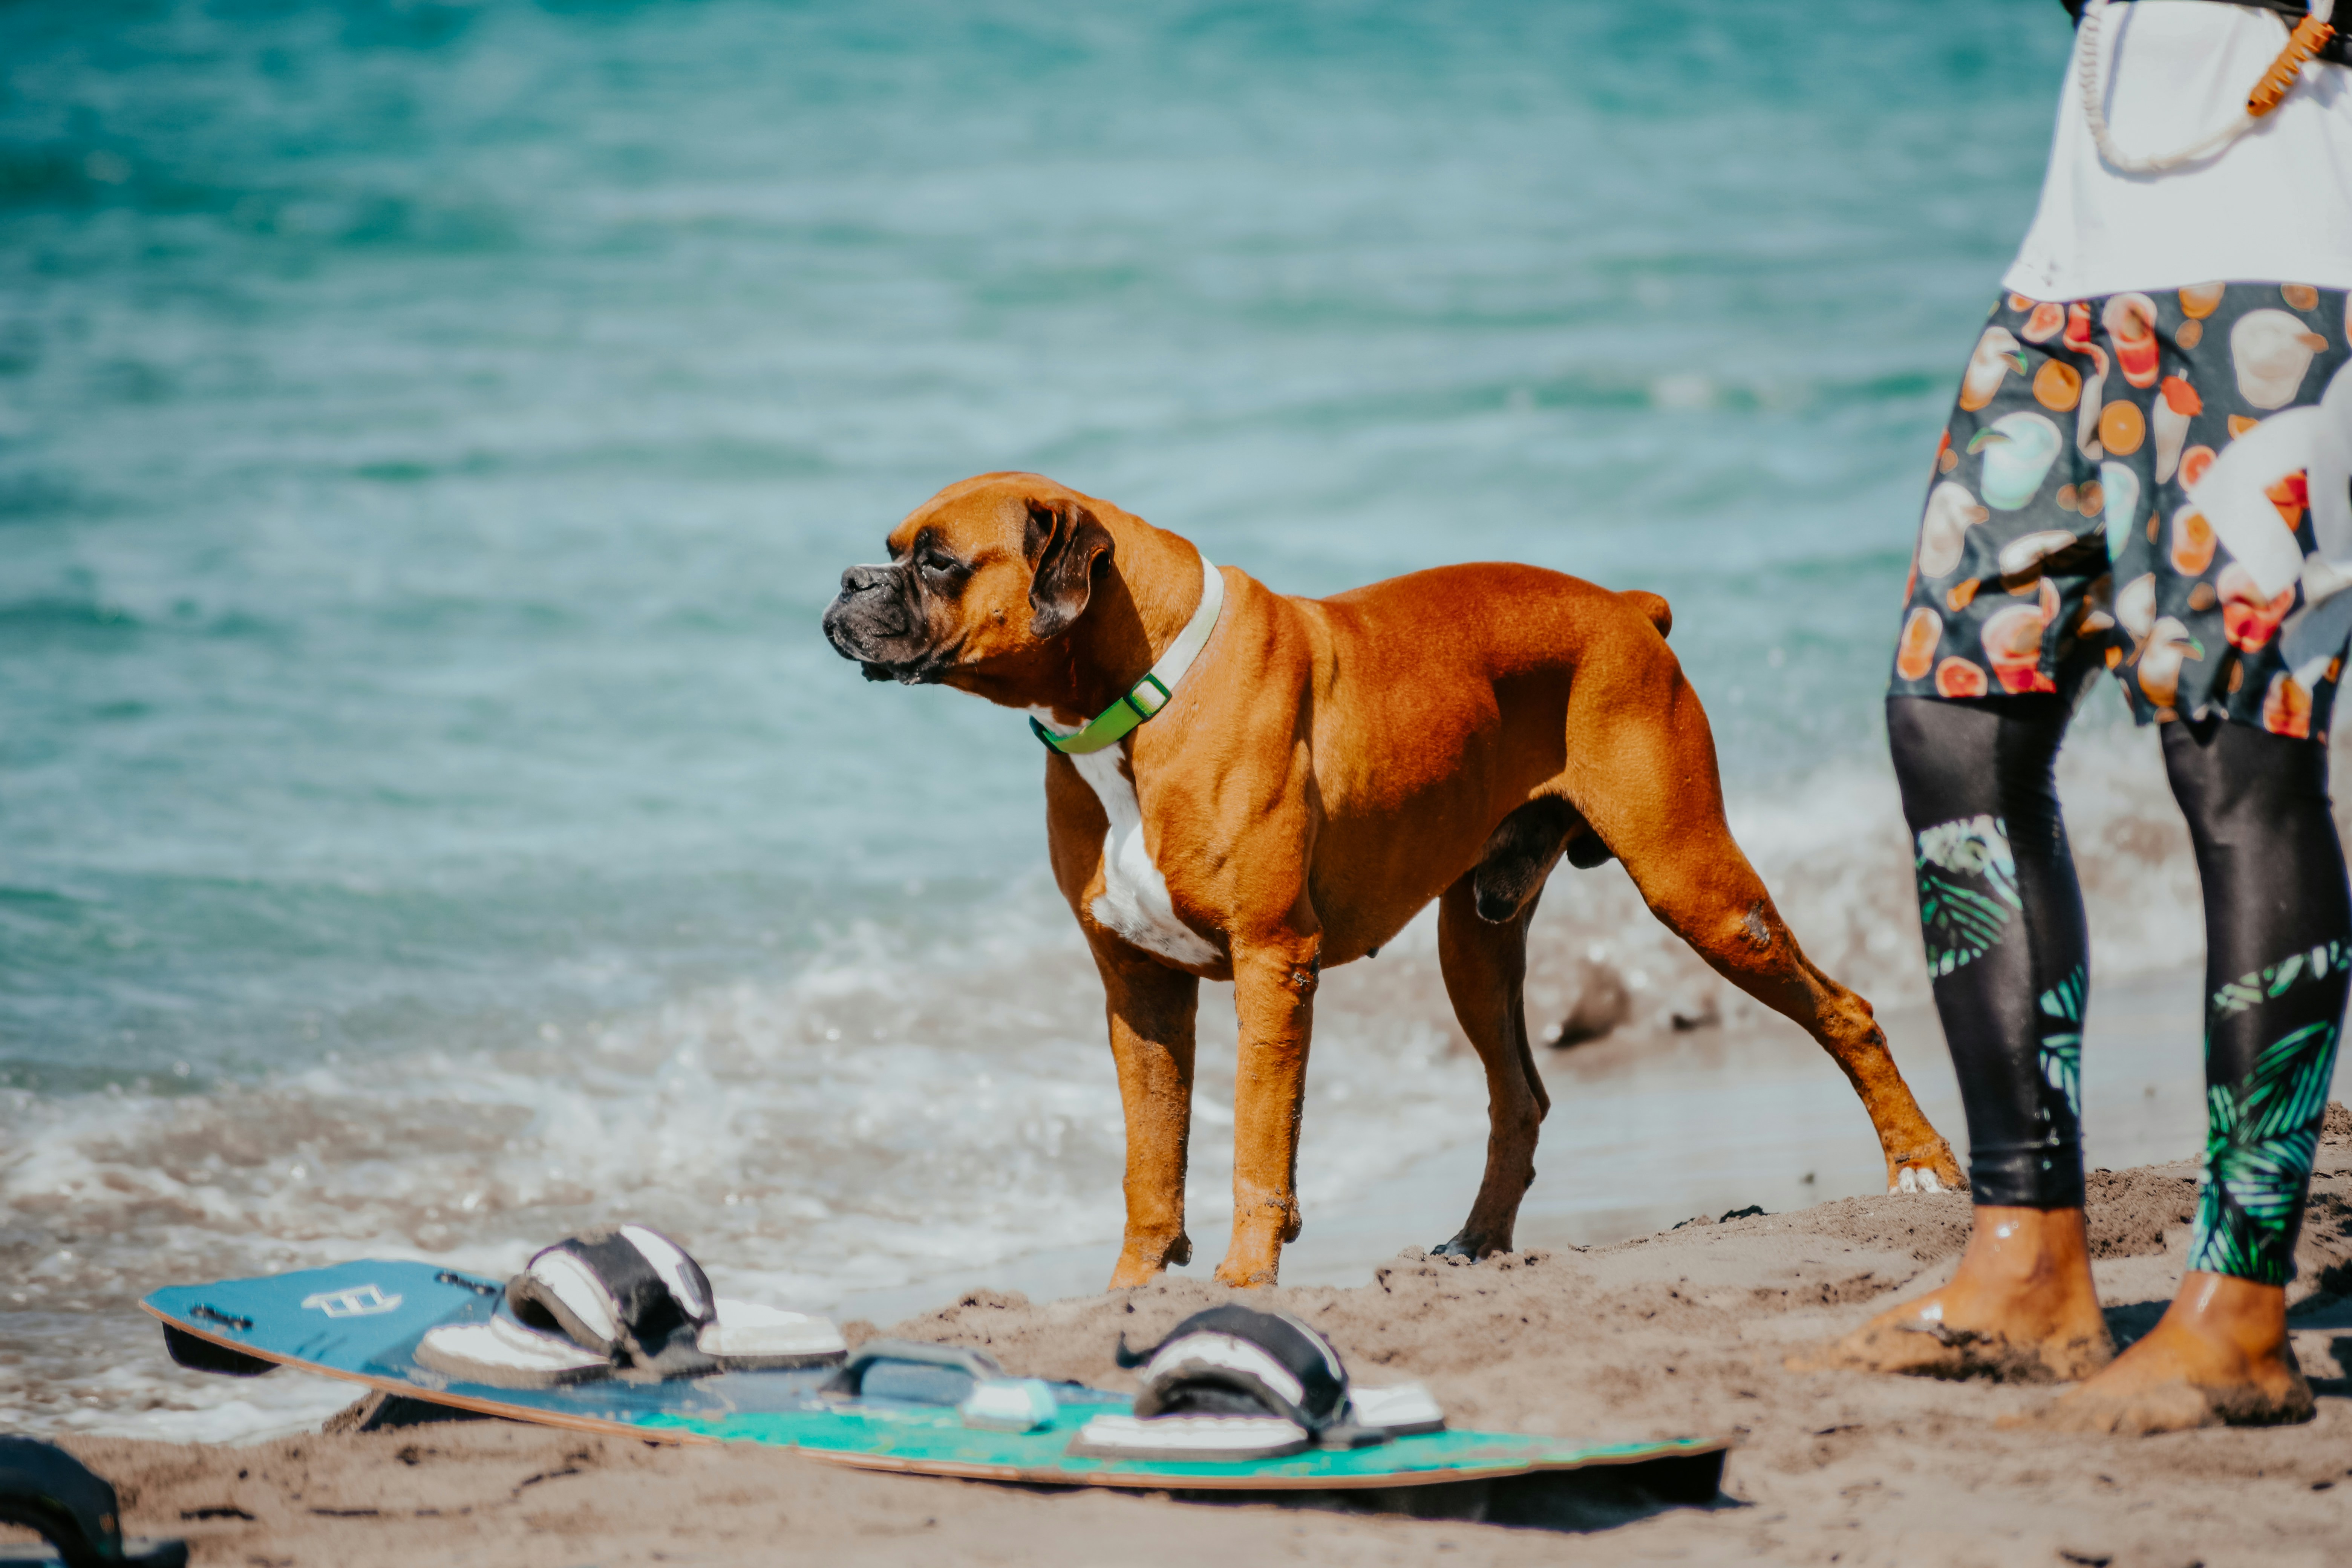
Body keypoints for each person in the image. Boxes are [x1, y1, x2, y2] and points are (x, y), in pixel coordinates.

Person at [1802, 0, 2352, 1433]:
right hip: (2067, 280)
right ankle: (2024, 1257)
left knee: (2238, 753)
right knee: (1953, 713)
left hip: (2289, 282)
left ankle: (2240, 1305)